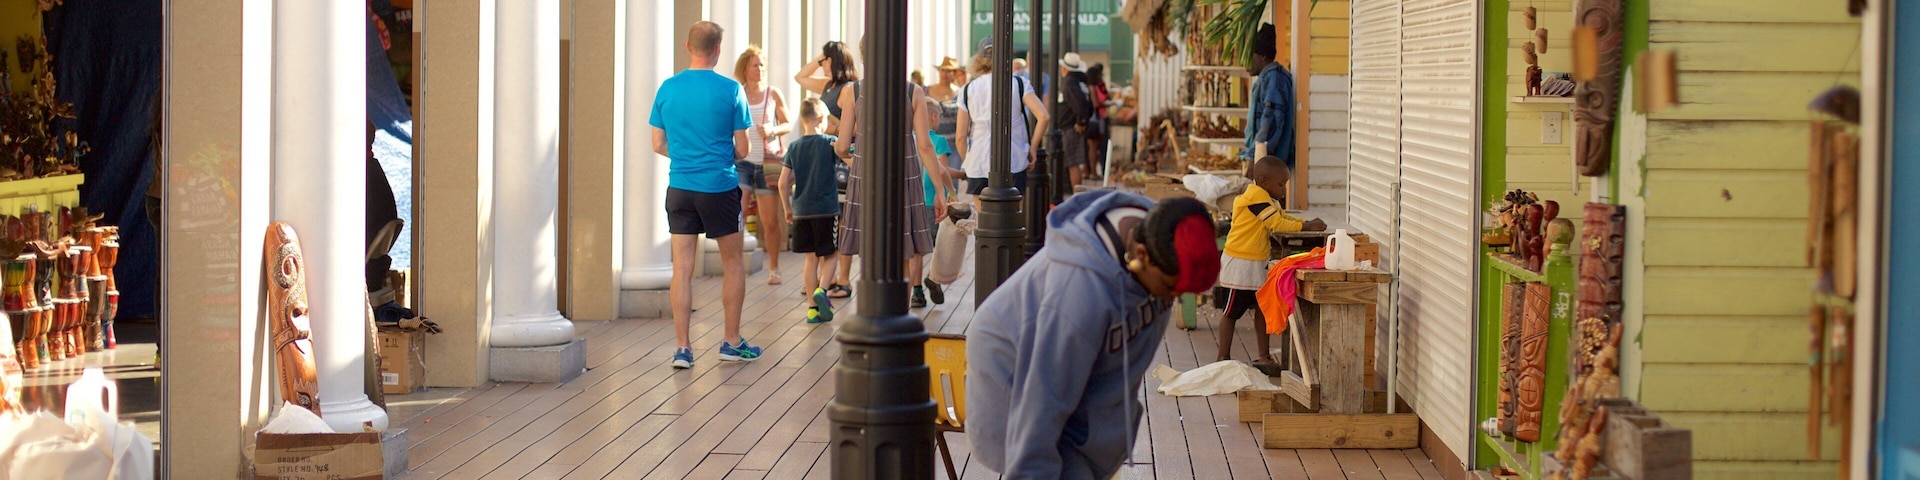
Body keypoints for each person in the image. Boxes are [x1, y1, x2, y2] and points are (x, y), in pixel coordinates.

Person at [965, 191, 1221, 479]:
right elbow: (1041, 406)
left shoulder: (1166, 237)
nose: (1173, 297)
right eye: (1171, 288)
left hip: (1070, 359)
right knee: (1047, 458)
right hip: (1010, 360)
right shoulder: (1078, 295)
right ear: (1141, 255)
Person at [650, 21, 762, 369]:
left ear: (688, 46)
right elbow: (743, 147)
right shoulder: (731, 90)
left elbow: (657, 144)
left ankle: (683, 348)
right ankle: (730, 341)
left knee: (682, 268)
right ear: (717, 50)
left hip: (680, 186)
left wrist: (686, 155)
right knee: (732, 264)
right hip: (719, 187)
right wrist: (720, 155)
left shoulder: (668, 88)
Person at [830, 37, 953, 309]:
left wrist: (845, 151)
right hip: (905, 176)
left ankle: (872, 309)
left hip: (867, 175)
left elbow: (841, 144)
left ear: (863, 58)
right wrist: (940, 191)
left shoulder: (853, 91)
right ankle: (900, 310)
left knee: (871, 243)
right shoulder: (913, 92)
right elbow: (924, 144)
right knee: (903, 247)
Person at [1214, 156, 1325, 364]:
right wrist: (1305, 227)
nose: (1283, 190)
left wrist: (1306, 223)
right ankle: (1223, 357)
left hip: (1256, 263)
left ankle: (1263, 356)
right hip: (1240, 264)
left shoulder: (1268, 200)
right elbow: (1276, 223)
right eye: (1281, 184)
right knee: (1231, 313)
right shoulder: (1255, 198)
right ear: (1264, 181)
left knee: (1261, 310)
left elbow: (1284, 218)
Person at [793, 41, 859, 298]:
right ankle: (823, 280)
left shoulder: (847, 89)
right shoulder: (827, 86)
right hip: (826, 158)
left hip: (841, 158)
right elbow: (800, 76)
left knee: (841, 220)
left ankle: (843, 279)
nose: (822, 65)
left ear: (836, 61)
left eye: (826, 60)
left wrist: (835, 129)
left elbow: (855, 127)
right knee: (828, 220)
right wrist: (822, 56)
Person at [954, 38, 1049, 202]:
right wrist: (1032, 148)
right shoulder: (1019, 84)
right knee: (1012, 217)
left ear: (979, 60)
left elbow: (960, 137)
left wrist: (968, 161)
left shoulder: (967, 90)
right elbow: (1044, 116)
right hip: (1014, 158)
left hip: (979, 160)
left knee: (982, 220)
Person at [733, 45, 794, 285]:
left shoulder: (773, 93)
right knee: (736, 214)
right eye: (754, 65)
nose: (759, 69)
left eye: (761, 65)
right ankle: (735, 264)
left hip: (767, 162)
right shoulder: (737, 93)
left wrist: (772, 129)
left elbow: (788, 123)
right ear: (745, 68)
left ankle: (774, 267)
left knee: (769, 221)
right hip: (743, 162)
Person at [779, 98, 840, 325]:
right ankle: (822, 290)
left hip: (801, 210)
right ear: (822, 119)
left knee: (810, 260)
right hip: (826, 209)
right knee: (832, 254)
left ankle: (812, 310)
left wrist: (788, 208)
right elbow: (851, 161)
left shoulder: (793, 147)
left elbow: (782, 182)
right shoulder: (829, 142)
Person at [921, 56, 968, 305]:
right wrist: (952, 186)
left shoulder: (959, 93)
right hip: (938, 179)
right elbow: (940, 168)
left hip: (949, 151)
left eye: (951, 71)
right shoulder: (928, 93)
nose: (947, 74)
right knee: (938, 238)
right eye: (944, 70)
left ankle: (919, 288)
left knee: (918, 244)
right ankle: (933, 279)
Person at [1244, 24, 1297, 170]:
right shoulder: (1266, 78)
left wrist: (1254, 157)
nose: (1245, 63)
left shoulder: (1274, 80)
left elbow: (1270, 123)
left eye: (1250, 57)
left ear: (1263, 56)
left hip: (1269, 163)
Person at [1056, 52, 1096, 188]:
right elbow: (1089, 105)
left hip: (1071, 127)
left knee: (1073, 164)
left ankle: (1075, 195)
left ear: (1066, 69)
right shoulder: (1080, 82)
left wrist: (1080, 122)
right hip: (1073, 126)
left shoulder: (1070, 83)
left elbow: (1080, 104)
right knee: (1073, 163)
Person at [1085, 63, 1112, 182]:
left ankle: (1090, 171)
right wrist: (1107, 104)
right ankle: (1093, 172)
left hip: (1092, 118)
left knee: (1092, 147)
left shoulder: (1088, 86)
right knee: (1093, 147)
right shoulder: (1092, 87)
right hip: (1095, 119)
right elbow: (1096, 103)